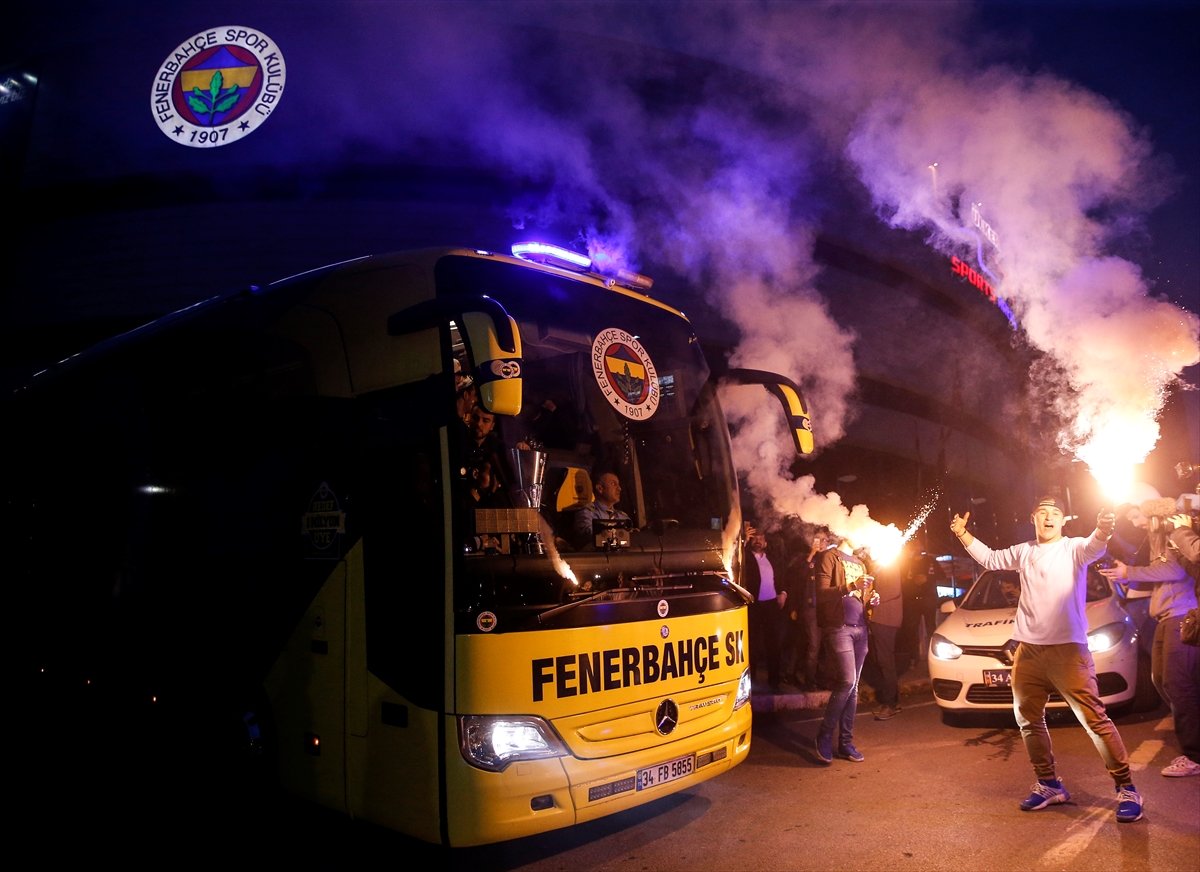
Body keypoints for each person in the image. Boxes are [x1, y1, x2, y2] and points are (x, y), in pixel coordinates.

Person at [951, 496, 1143, 823]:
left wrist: (1104, 529)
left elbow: (1095, 546)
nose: (1048, 518)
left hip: (1069, 650)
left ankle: (1127, 788)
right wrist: (962, 534)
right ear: (1033, 518)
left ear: (1063, 520)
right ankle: (1048, 784)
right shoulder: (1024, 551)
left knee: (1093, 719)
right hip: (1029, 650)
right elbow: (992, 559)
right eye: (1042, 513)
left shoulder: (1074, 548)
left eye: (1054, 513)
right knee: (1028, 719)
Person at [1098, 498, 1200, 778]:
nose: (1134, 522)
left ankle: (1194, 755)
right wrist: (1129, 578)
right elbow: (1163, 576)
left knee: (1178, 683)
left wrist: (1129, 572)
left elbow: (1175, 571)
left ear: (1153, 514)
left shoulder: (1172, 531)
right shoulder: (1157, 537)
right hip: (1167, 616)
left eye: (1135, 515)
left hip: (1182, 615)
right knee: (1162, 679)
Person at [812, 534, 877, 764]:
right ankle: (824, 735)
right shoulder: (829, 556)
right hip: (839, 628)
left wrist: (871, 598)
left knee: (854, 687)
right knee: (847, 681)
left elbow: (861, 596)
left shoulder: (860, 563)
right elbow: (821, 593)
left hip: (861, 629)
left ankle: (846, 743)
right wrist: (851, 585)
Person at [741, 523, 789, 693]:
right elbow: (736, 561)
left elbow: (781, 576)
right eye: (755, 538)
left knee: (774, 644)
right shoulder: (745, 558)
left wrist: (783, 592)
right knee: (752, 644)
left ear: (766, 543)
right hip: (754, 605)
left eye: (761, 538)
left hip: (771, 605)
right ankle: (751, 682)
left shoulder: (771, 559)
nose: (758, 541)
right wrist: (744, 542)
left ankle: (774, 681)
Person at [787, 526, 830, 690]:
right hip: (810, 607)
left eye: (824, 539)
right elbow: (798, 579)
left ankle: (822, 678)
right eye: (818, 539)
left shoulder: (830, 558)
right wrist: (812, 553)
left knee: (826, 645)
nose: (821, 543)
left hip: (827, 608)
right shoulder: (806, 559)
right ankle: (809, 681)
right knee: (813, 645)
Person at [864, 548, 904, 720]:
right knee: (883, 660)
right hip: (882, 619)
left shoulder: (889, 563)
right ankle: (892, 700)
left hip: (886, 619)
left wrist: (872, 598)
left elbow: (892, 590)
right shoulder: (882, 564)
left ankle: (890, 704)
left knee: (885, 661)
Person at [572, 470, 631, 546]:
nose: (619, 488)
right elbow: (589, 534)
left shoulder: (622, 517)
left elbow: (632, 537)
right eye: (613, 484)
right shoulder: (587, 513)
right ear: (600, 488)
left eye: (618, 484)